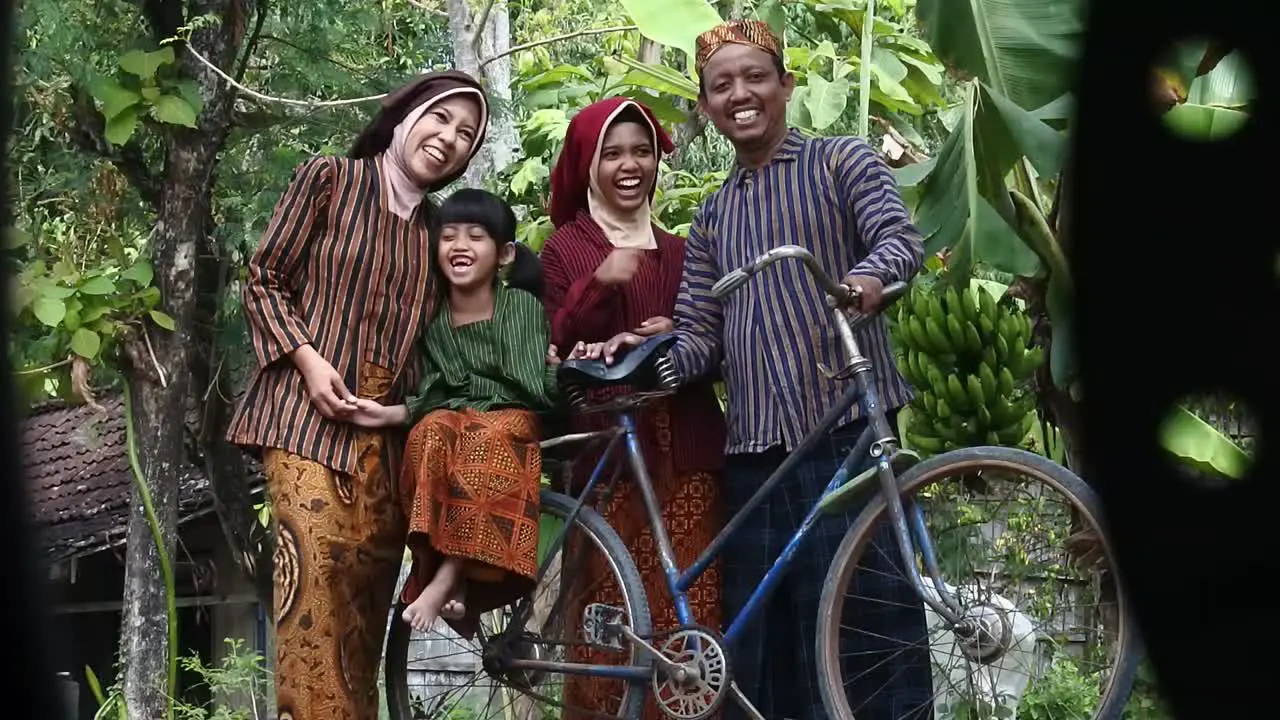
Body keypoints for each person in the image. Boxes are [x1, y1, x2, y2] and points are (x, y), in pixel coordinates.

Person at [594, 20, 935, 720]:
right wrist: (641, 359)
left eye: (755, 77)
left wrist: (864, 283)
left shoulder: (842, 161)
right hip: (753, 453)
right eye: (722, 85)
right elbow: (701, 341)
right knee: (765, 653)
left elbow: (898, 240)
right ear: (706, 105)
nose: (740, 94)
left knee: (871, 625)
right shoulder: (715, 215)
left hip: (844, 431)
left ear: (786, 84)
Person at [225, 70, 489, 720]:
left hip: (386, 450)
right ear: (403, 115)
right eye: (440, 118)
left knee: (360, 630)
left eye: (465, 134)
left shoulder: (439, 233)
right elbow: (262, 279)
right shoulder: (329, 180)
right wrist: (311, 364)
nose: (449, 138)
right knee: (312, 609)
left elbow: (447, 349)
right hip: (303, 427)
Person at [538, 97, 728, 719]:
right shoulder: (566, 248)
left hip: (688, 452)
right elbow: (555, 340)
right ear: (587, 166)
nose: (630, 165)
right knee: (607, 625)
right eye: (612, 153)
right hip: (608, 459)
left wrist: (676, 326)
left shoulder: (683, 250)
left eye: (641, 152)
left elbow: (714, 336)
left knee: (692, 620)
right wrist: (605, 280)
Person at [343, 188, 558, 640]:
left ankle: (442, 580)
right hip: (458, 416)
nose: (460, 246)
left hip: (513, 416)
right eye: (449, 236)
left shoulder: (518, 306)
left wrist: (464, 401)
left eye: (475, 236)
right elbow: (434, 391)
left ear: (503, 255)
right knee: (429, 432)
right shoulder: (434, 318)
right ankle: (449, 572)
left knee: (483, 435)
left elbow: (523, 384)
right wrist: (389, 414)